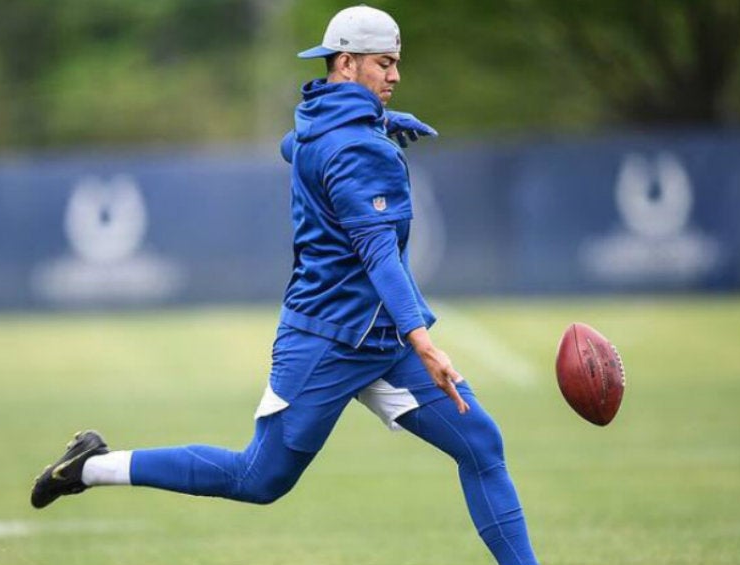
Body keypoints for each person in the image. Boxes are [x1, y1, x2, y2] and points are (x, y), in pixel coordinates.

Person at [30, 6, 540, 564]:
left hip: (378, 337)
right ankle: (91, 466)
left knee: (481, 443)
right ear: (346, 63)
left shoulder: (318, 122)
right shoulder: (357, 148)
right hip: (330, 341)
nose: (395, 76)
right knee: (259, 477)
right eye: (383, 64)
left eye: (397, 65)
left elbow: (292, 145)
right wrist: (425, 341)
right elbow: (379, 255)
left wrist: (379, 121)